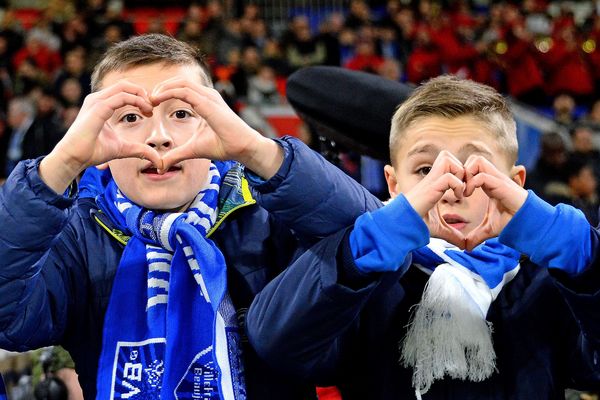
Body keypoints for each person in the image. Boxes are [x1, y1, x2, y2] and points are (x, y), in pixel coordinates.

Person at [0, 34, 378, 399]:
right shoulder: (76, 235)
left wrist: (256, 150)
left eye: (181, 113)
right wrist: (60, 164)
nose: (159, 136)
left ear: (214, 121)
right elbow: (10, 319)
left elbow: (374, 239)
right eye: (130, 117)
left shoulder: (273, 215)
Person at [247, 75, 600, 399]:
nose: (448, 188)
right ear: (393, 184)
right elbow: (280, 346)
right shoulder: (362, 274)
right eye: (426, 170)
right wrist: (370, 243)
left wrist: (576, 249)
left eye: (475, 168)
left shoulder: (547, 280)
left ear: (516, 183)